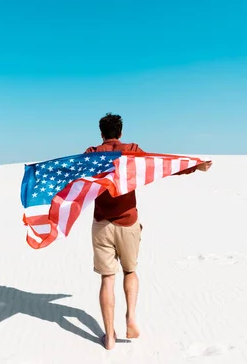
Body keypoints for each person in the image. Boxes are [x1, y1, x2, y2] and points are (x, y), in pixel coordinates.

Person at [84, 112, 211, 350]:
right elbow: (161, 165)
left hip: (102, 224)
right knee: (130, 271)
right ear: (120, 132)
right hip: (128, 223)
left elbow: (70, 174)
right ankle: (131, 316)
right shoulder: (131, 150)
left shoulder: (92, 154)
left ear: (101, 133)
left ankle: (109, 338)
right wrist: (195, 166)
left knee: (107, 278)